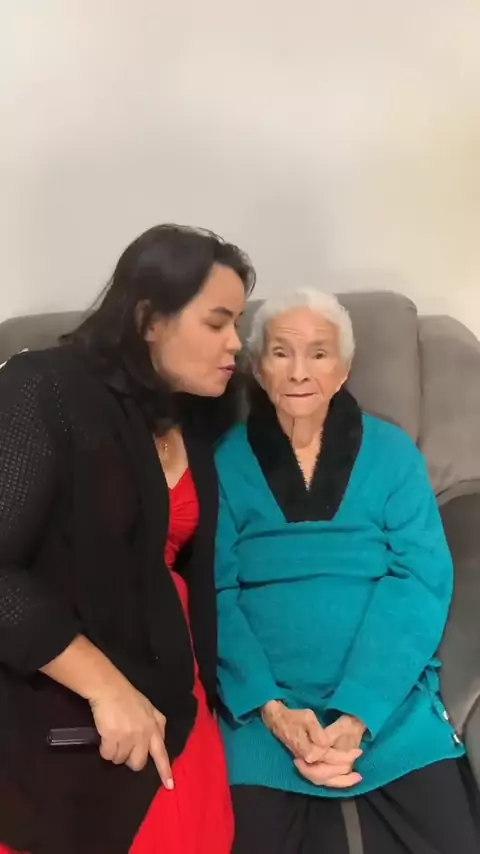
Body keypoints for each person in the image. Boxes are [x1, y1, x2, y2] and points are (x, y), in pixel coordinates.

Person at [0, 224, 254, 854]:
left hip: (176, 671)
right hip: (67, 663)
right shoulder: (44, 387)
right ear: (148, 319)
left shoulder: (198, 409)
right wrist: (106, 687)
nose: (236, 343)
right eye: (217, 323)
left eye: (239, 324)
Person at [214, 288, 480, 854]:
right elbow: (215, 591)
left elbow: (421, 578)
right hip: (265, 702)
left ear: (344, 369)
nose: (299, 372)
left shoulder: (393, 454)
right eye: (281, 352)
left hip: (387, 691)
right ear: (257, 367)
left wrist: (361, 709)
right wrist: (273, 710)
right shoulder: (223, 460)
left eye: (319, 353)